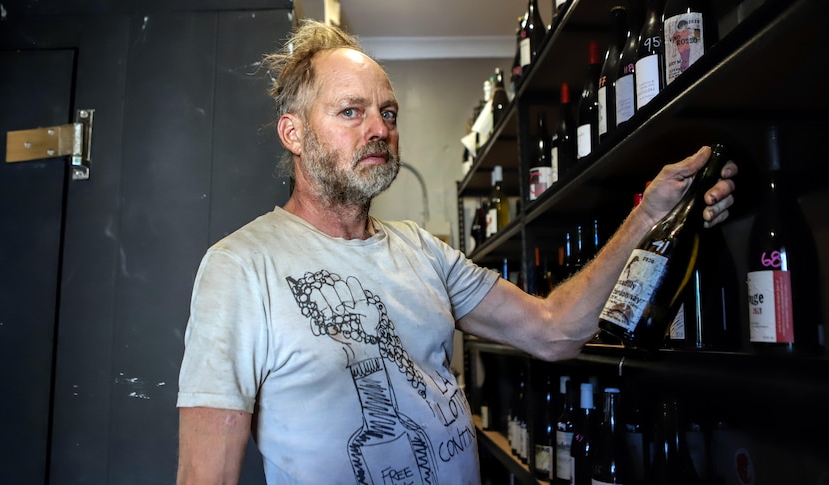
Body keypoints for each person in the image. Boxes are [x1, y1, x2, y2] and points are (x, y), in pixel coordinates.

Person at [176, 19, 737, 485]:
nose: (379, 129)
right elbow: (207, 477)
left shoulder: (423, 251)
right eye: (350, 112)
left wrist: (648, 216)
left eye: (388, 113)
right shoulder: (241, 267)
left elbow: (554, 331)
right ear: (293, 133)